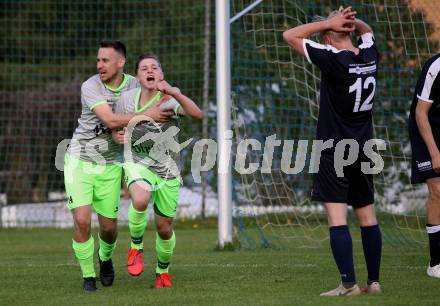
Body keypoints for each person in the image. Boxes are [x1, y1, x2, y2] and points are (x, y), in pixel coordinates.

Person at [283, 7, 382, 296]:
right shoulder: (369, 55)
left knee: (337, 218)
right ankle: (373, 283)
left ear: (327, 38)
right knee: (368, 216)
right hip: (364, 147)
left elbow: (289, 35)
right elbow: (367, 33)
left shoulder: (332, 58)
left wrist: (329, 22)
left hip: (335, 149)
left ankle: (348, 285)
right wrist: (351, 22)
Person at [64, 41, 173, 292]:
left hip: (112, 163)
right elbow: (110, 119)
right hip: (80, 159)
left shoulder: (135, 84)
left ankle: (105, 258)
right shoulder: (90, 86)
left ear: (120, 63)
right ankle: (88, 277)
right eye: (98, 60)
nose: (99, 65)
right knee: (81, 221)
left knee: (109, 227)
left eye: (105, 60)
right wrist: (147, 117)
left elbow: (160, 96)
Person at [112, 53, 202, 288]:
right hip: (137, 162)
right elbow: (112, 123)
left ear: (161, 74)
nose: (150, 70)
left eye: (155, 67)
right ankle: (136, 247)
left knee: (164, 228)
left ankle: (163, 271)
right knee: (140, 199)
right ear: (138, 77)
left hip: (168, 170)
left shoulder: (169, 102)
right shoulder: (126, 99)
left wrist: (175, 92)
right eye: (144, 68)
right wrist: (115, 134)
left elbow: (197, 114)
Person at [408, 52, 440, 278]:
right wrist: (434, 152)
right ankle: (436, 263)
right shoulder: (436, 66)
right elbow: (420, 113)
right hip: (427, 129)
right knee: (438, 190)